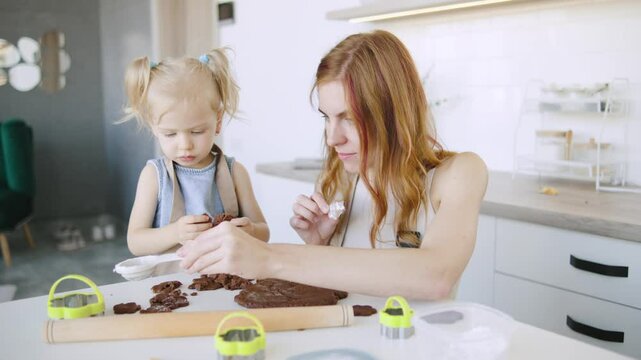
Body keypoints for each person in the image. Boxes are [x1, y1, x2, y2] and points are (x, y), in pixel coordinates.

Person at [178, 31, 487, 300]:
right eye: (327, 117)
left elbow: (436, 277)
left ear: (394, 114)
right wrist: (319, 244)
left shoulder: (459, 174)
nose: (332, 138)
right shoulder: (338, 179)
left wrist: (269, 257)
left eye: (350, 118)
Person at [122, 49, 269, 257]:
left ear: (217, 122)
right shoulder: (154, 176)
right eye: (170, 134)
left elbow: (264, 231)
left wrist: (251, 231)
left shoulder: (235, 172)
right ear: (154, 127)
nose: (185, 145)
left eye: (197, 131)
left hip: (227, 280)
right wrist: (175, 233)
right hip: (170, 283)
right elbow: (135, 242)